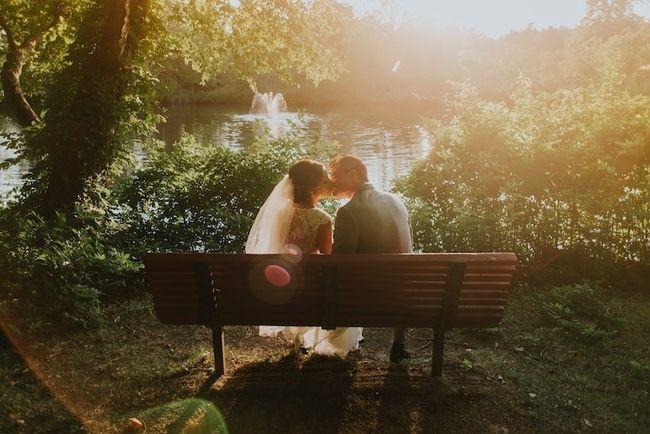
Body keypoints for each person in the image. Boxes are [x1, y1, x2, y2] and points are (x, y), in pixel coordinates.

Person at [245, 159, 363, 356]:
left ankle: (299, 340)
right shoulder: (322, 219)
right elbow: (328, 260)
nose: (330, 182)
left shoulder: (280, 214)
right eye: (325, 179)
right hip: (311, 290)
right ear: (314, 187)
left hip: (283, 288)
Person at [329, 155, 414, 362]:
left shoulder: (348, 211)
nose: (332, 182)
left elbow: (338, 262)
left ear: (353, 174)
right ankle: (398, 344)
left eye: (335, 176)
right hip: (404, 293)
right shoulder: (396, 201)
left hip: (369, 296)